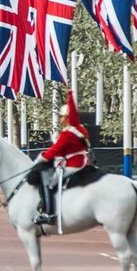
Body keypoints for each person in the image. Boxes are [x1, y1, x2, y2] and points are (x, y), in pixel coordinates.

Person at [25, 83, 90, 226]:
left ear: (67, 117)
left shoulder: (68, 133)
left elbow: (54, 151)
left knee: (49, 182)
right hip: (82, 161)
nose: (60, 119)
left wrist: (38, 160)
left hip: (73, 164)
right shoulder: (82, 129)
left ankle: (50, 213)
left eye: (61, 117)